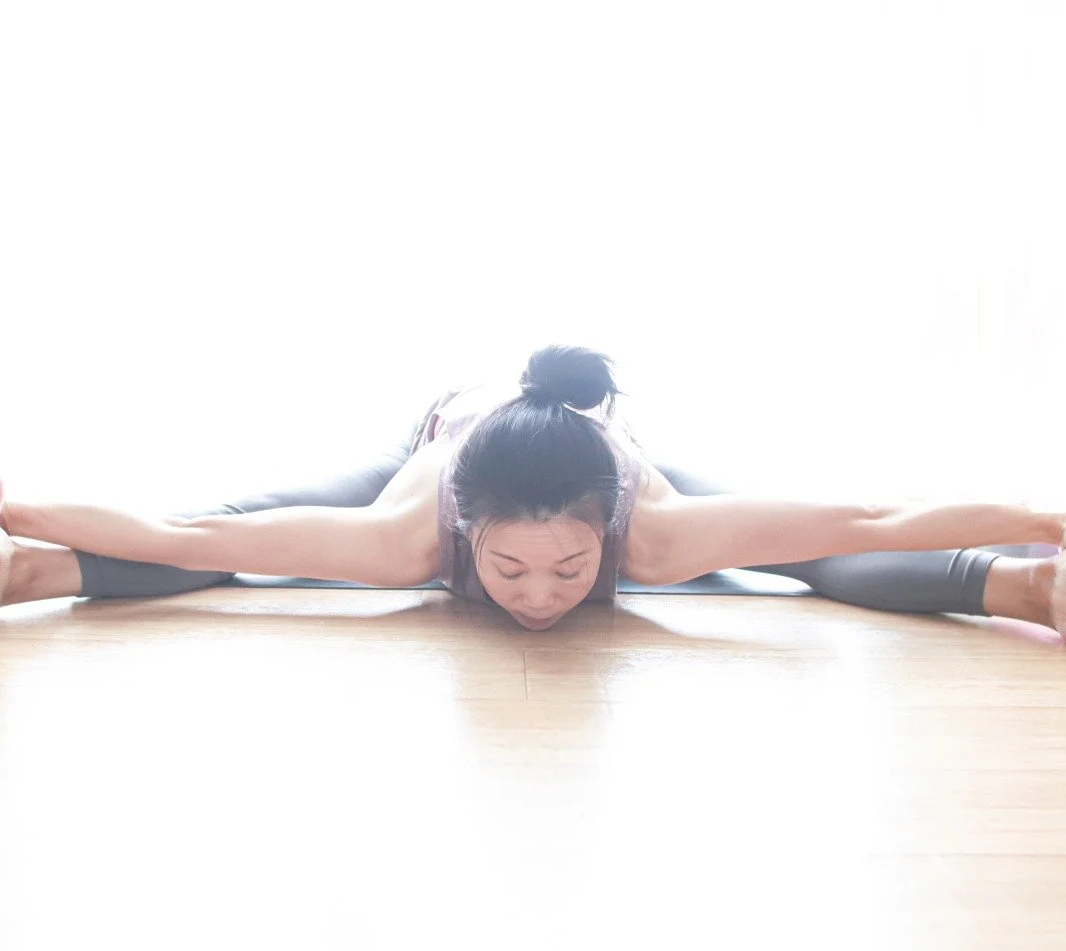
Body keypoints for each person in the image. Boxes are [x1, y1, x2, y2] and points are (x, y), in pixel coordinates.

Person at [1, 345, 1063, 638]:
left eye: (568, 567)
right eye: (509, 569)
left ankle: (1024, 588)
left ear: (607, 531)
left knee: (815, 560)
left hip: (600, 462)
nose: (540, 594)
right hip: (433, 446)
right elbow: (176, 535)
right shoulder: (408, 534)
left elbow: (866, 520)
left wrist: (1043, 522)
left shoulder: (655, 529)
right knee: (234, 540)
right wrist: (21, 511)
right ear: (469, 535)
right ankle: (34, 569)